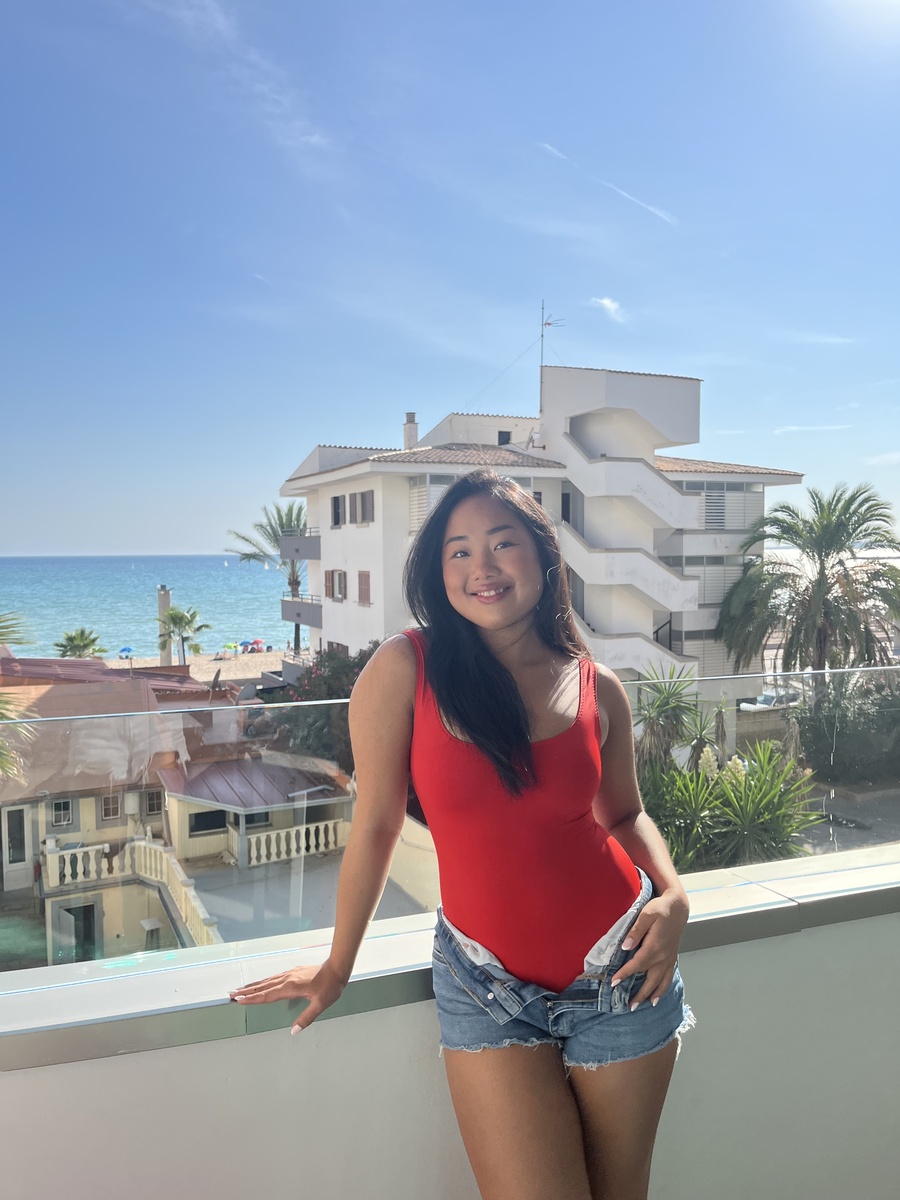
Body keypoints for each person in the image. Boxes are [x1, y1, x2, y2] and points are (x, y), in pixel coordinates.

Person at [230, 469, 693, 1200]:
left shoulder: (595, 685)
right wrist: (337, 966)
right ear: (437, 570)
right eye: (459, 551)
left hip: (623, 971)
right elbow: (376, 825)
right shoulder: (405, 668)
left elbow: (625, 816)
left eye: (502, 543)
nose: (483, 566)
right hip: (484, 984)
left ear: (542, 556)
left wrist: (673, 896)